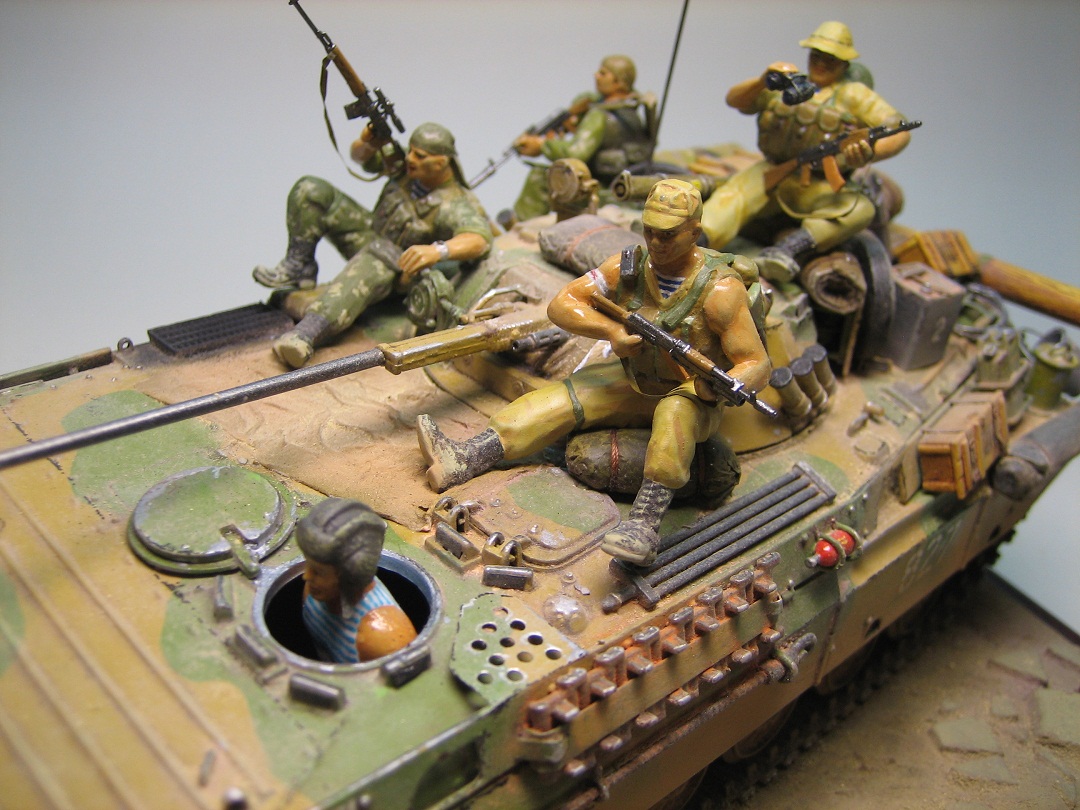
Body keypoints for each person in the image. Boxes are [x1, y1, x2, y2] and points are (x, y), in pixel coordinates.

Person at [416, 180, 771, 566]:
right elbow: (562, 303)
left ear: (694, 232)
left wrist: (721, 386)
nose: (656, 243)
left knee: (675, 414)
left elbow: (756, 363)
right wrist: (612, 331)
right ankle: (467, 456)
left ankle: (643, 526)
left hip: (691, 392)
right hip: (635, 380)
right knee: (566, 397)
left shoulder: (720, 292)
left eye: (668, 234)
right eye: (649, 231)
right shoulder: (628, 268)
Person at [253, 122, 494, 368]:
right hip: (371, 234)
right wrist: (368, 141)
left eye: (420, 155)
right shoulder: (404, 169)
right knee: (312, 189)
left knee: (375, 257)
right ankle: (300, 265)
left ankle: (307, 333)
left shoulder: (454, 203)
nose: (410, 158)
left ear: (441, 162)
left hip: (399, 267)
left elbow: (480, 239)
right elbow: (360, 157)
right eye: (411, 150)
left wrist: (436, 251)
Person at [701, 21, 911, 282]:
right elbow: (735, 100)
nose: (821, 64)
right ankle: (698, 241)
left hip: (818, 184)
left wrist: (869, 152)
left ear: (844, 64)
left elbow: (898, 130)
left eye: (830, 59)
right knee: (732, 196)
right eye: (816, 56)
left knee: (860, 209)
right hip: (772, 169)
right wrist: (763, 80)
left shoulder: (854, 95)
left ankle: (789, 249)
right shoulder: (790, 84)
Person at [509, 55, 654, 223]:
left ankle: (520, 228)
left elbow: (575, 153)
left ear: (618, 82)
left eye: (603, 73)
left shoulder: (599, 115)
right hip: (624, 187)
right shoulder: (631, 111)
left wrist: (542, 145)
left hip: (603, 191)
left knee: (540, 176)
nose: (596, 76)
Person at [296, 498, 417, 664]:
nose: (306, 577)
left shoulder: (382, 637)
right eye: (308, 565)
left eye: (318, 572)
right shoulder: (314, 593)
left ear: (351, 574)